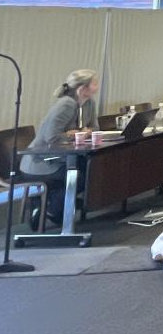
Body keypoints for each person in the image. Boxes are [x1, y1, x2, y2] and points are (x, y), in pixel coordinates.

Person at [20, 70, 99, 228]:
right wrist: (75, 134)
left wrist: (82, 132)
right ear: (82, 88)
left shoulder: (89, 103)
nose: (97, 86)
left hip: (65, 157)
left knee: (94, 168)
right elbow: (52, 137)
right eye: (94, 83)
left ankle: (50, 203)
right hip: (42, 161)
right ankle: (52, 209)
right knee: (83, 175)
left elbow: (95, 127)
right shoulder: (66, 104)